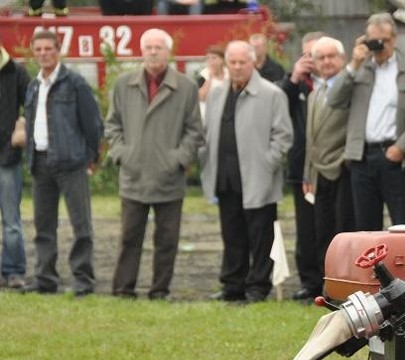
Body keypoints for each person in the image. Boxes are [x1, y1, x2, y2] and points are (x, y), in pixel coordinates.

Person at [105, 28, 203, 301]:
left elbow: (195, 131)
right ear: (141, 51)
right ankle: (123, 289)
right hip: (133, 175)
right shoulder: (124, 84)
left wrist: (177, 159)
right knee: (129, 238)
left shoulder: (186, 86)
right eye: (148, 47)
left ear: (168, 52)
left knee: (167, 241)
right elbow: (112, 125)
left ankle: (159, 291)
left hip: (169, 177)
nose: (152, 52)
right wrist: (123, 153)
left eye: (158, 47)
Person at [200, 40, 293, 303]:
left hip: (258, 177)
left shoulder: (271, 93)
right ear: (226, 64)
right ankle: (232, 285)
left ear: (253, 62)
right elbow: (208, 131)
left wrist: (267, 163)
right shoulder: (217, 92)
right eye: (233, 62)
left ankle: (257, 287)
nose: (238, 67)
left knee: (260, 237)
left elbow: (283, 136)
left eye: (243, 62)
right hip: (226, 176)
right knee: (232, 235)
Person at [325, 12, 405, 231]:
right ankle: (370, 266)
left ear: (394, 38)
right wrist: (353, 64)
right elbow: (333, 99)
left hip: (396, 156)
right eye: (374, 40)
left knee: (404, 225)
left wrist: (403, 146)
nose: (379, 46)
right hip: (361, 157)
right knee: (366, 228)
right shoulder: (359, 69)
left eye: (384, 40)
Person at [22, 30, 102, 296]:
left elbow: (92, 123)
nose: (43, 53)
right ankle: (45, 278)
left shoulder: (75, 83)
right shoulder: (33, 86)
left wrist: (92, 156)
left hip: (71, 161)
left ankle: (83, 279)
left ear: (58, 51)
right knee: (43, 225)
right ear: (34, 53)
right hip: (41, 160)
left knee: (81, 225)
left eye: (48, 49)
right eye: (39, 49)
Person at [303, 36, 355, 285]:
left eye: (331, 56)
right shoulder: (315, 94)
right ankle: (329, 284)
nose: (326, 62)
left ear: (342, 59)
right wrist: (308, 174)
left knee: (343, 231)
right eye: (320, 58)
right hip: (319, 174)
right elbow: (310, 139)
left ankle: (346, 283)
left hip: (342, 169)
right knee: (321, 232)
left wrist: (345, 158)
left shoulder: (351, 88)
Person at [281, 31, 324, 301]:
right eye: (306, 54)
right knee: (305, 229)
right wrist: (293, 77)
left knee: (327, 226)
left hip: (328, 165)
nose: (311, 60)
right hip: (301, 165)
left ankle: (327, 281)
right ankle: (308, 282)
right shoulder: (296, 84)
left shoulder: (333, 83)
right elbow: (277, 104)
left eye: (316, 54)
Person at [0, 38, 30, 290]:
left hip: (7, 157)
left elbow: (31, 106)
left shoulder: (16, 71)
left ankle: (14, 271)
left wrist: (20, 130)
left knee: (11, 221)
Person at [197, 45, 228, 123]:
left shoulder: (229, 75)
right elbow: (201, 97)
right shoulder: (203, 75)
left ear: (222, 60)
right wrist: (210, 78)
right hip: (207, 115)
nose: (210, 60)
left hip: (225, 113)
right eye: (208, 58)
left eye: (214, 58)